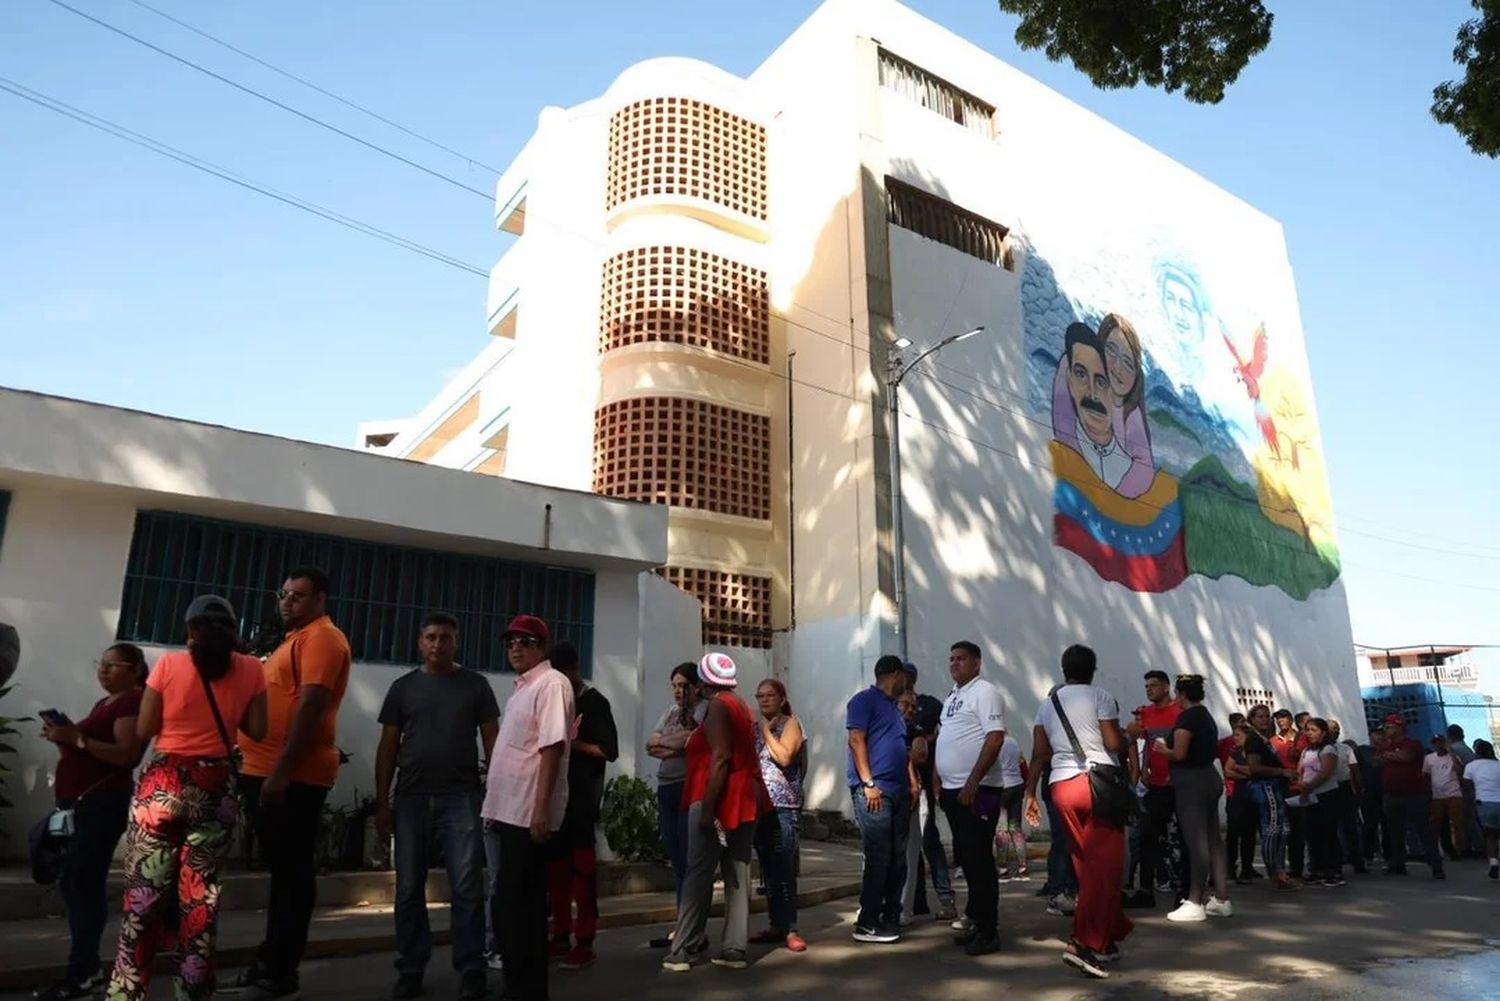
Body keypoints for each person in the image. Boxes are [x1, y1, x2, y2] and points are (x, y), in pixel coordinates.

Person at [106, 596, 269, 1001]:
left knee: (143, 898)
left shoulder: (169, 665)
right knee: (199, 901)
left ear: (190, 630)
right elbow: (258, 729)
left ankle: (126, 994)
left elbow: (145, 726)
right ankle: (192, 993)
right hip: (214, 788)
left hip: (162, 785)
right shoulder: (252, 669)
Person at [226, 567, 352, 1001]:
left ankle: (279, 973)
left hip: (291, 777)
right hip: (268, 771)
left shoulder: (322, 638)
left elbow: (312, 704)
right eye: (283, 594)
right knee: (283, 875)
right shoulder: (294, 640)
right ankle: (268, 963)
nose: (287, 602)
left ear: (320, 599)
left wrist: (281, 771)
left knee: (292, 876)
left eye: (298, 596)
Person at [374, 612, 500, 1000]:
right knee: (409, 888)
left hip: (460, 799)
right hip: (411, 800)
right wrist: (383, 802)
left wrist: (496, 798)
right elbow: (388, 748)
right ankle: (411, 967)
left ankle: (471, 969)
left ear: (455, 642)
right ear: (420, 642)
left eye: (445, 638)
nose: (437, 644)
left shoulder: (475, 686)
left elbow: (494, 745)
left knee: (466, 887)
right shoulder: (403, 688)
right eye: (430, 637)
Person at [34, 644, 148, 1001]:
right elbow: (85, 750)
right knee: (73, 882)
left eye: (112, 666)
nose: (103, 671)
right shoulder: (105, 704)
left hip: (100, 805)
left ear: (133, 670)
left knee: (84, 883)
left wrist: (77, 738)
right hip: (78, 805)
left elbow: (127, 755)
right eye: (101, 664)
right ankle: (86, 968)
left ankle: (82, 972)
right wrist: (63, 739)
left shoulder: (132, 702)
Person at [1024, 644, 1130, 980]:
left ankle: (1108, 936)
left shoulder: (1048, 704)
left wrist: (1029, 793)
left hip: (1062, 788)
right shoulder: (1100, 696)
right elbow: (1113, 744)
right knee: (1107, 867)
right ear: (1093, 669)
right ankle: (1083, 944)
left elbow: (1040, 752)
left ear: (1063, 668)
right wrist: (1131, 735)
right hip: (1097, 786)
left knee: (1086, 864)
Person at [482, 614, 573, 1001]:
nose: (516, 647)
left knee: (524, 910)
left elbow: (552, 746)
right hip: (506, 812)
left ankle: (528, 990)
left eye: (526, 641)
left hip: (526, 816)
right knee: (508, 906)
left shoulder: (552, 684)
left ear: (543, 647)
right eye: (511, 641)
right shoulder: (521, 689)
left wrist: (540, 810)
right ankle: (516, 985)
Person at [661, 653, 762, 973]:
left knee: (698, 874)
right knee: (736, 874)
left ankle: (684, 949)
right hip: (743, 800)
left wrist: (707, 809)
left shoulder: (717, 706)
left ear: (704, 683)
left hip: (717, 799)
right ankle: (734, 948)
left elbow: (720, 758)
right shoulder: (742, 706)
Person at [546, 641, 619, 971]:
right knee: (556, 873)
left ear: (575, 670)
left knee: (583, 874)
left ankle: (585, 940)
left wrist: (571, 744)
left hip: (581, 802)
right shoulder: (553, 700)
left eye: (564, 674)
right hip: (554, 801)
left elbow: (608, 751)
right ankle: (559, 935)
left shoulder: (595, 703)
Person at [936, 641, 1006, 957]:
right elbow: (945, 739)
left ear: (977, 663)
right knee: (966, 857)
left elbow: (994, 738)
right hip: (953, 791)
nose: (954, 663)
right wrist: (938, 779)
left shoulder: (984, 692)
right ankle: (976, 920)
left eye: (961, 659)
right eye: (951, 659)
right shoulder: (952, 696)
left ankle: (989, 932)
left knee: (979, 861)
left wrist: (974, 781)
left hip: (980, 792)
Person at [844, 655, 912, 944]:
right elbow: (857, 739)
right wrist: (868, 783)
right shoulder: (863, 701)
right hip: (875, 791)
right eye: (905, 678)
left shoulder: (894, 708)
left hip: (898, 792)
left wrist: (911, 782)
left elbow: (899, 748)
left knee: (898, 858)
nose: (908, 684)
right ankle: (867, 921)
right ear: (894, 675)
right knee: (879, 857)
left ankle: (890, 916)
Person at [1155, 675, 1230, 921]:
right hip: (1208, 777)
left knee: (1196, 842)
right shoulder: (1206, 716)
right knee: (1213, 841)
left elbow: (1179, 752)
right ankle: (1221, 897)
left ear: (1182, 694)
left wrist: (1163, 750)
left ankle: (1195, 900)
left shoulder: (1188, 717)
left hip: (1193, 783)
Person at [749, 677, 806, 953]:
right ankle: (775, 924)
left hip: (784, 806)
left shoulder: (790, 723)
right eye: (760, 696)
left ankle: (790, 928)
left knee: (784, 869)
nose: (764, 700)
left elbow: (785, 758)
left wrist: (765, 730)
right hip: (760, 807)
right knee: (768, 870)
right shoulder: (753, 729)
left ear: (781, 698)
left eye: (770, 695)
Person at [898, 662, 958, 922]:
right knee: (907, 849)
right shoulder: (889, 708)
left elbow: (946, 736)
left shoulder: (931, 706)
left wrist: (925, 742)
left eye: (911, 675)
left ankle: (946, 898)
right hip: (899, 786)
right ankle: (915, 901)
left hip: (921, 786)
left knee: (928, 840)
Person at [645, 663, 697, 948]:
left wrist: (668, 744)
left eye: (683, 685)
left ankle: (690, 929)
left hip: (686, 788)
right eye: (674, 685)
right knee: (676, 861)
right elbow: (650, 745)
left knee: (689, 861)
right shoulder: (669, 712)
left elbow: (690, 742)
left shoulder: (701, 714)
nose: (678, 691)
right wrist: (671, 744)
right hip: (665, 789)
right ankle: (682, 924)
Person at [1052, 323, 1131, 489]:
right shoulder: (1052, 455)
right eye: (1081, 375)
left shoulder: (1129, 467)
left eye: (1101, 381)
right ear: (1069, 380)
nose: (1092, 394)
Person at [1130, 670, 1182, 907]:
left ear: (1166, 687)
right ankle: (1145, 890)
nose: (1149, 689)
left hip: (1179, 785)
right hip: (1156, 785)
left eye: (1153, 685)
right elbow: (1145, 743)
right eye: (1146, 686)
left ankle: (1185, 890)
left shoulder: (1179, 712)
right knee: (1147, 836)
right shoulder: (1145, 713)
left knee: (1180, 839)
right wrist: (1142, 770)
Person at [1375, 714, 1444, 878]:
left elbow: (1406, 756)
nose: (1386, 730)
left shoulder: (1412, 744)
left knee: (1424, 831)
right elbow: (1376, 761)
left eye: (1389, 726)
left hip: (1414, 795)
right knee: (1395, 832)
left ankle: (1435, 865)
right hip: (1392, 795)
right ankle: (1398, 864)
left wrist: (1389, 755)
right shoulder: (1385, 746)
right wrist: (1389, 755)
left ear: (1399, 727)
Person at [1242, 705, 1299, 891]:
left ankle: (1280, 871)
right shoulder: (1253, 740)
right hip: (1266, 787)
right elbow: (1254, 767)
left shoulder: (1264, 739)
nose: (1265, 720)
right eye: (1260, 717)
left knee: (1283, 830)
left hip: (1275, 787)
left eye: (1267, 716)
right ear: (1252, 719)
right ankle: (1275, 874)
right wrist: (1282, 771)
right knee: (1272, 830)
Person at [1298, 717, 1345, 886]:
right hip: (1310, 797)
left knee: (1328, 835)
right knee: (1313, 835)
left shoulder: (1328, 749)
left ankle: (1334, 871)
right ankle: (1316, 869)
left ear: (1323, 732)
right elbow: (1301, 770)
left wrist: (1309, 786)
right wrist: (1302, 785)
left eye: (1314, 730)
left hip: (1326, 796)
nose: (1309, 733)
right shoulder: (1306, 751)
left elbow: (1326, 773)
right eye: (1307, 730)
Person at [1218, 712, 1256, 883]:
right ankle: (1230, 868)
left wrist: (1239, 771)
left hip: (1250, 794)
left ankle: (1247, 868)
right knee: (1234, 833)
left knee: (1248, 833)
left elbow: (1255, 769)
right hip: (1234, 792)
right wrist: (1245, 773)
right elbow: (1228, 770)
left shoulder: (1254, 748)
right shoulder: (1227, 745)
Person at [1271, 709, 1308, 879]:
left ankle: (1300, 866)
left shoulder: (1302, 738)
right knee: (1285, 830)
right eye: (1278, 719)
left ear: (1291, 719)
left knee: (1301, 829)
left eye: (1283, 718)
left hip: (1301, 786)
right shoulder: (1273, 741)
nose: (1281, 721)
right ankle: (1286, 867)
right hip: (1281, 787)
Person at [1327, 721, 1368, 874]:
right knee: (1330, 829)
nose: (1335, 731)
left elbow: (1354, 770)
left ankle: (1357, 861)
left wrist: (1358, 790)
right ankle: (1334, 863)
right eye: (1332, 729)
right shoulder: (1318, 749)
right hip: (1327, 788)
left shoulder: (1346, 749)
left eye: (1337, 728)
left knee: (1351, 827)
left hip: (1344, 789)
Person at [1423, 733, 1466, 861]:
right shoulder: (1429, 758)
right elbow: (1425, 775)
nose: (1438, 745)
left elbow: (1459, 770)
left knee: (1458, 823)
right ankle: (1440, 849)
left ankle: (1460, 849)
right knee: (1438, 824)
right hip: (1437, 795)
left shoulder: (1453, 757)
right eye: (1435, 743)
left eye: (1440, 742)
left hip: (1454, 793)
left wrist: (1451, 753)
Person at [1461, 739, 1500, 879]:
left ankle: (1494, 863)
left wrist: (1467, 805)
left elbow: (1467, 787)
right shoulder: (1498, 765)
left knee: (1490, 835)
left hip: (1483, 803)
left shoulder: (1470, 767)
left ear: (1476, 752)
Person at [994, 732, 1028, 881]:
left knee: (1002, 830)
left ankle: (1003, 869)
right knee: (1016, 828)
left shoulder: (992, 743)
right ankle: (1022, 867)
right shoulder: (1013, 741)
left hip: (1001, 789)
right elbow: (1023, 766)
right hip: (1017, 786)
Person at [1448, 724, 1483, 860]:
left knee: (1464, 819)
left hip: (1461, 788)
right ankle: (1477, 846)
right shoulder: (1467, 750)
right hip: (1471, 787)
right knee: (1469, 818)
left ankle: (1471, 847)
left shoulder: (1454, 750)